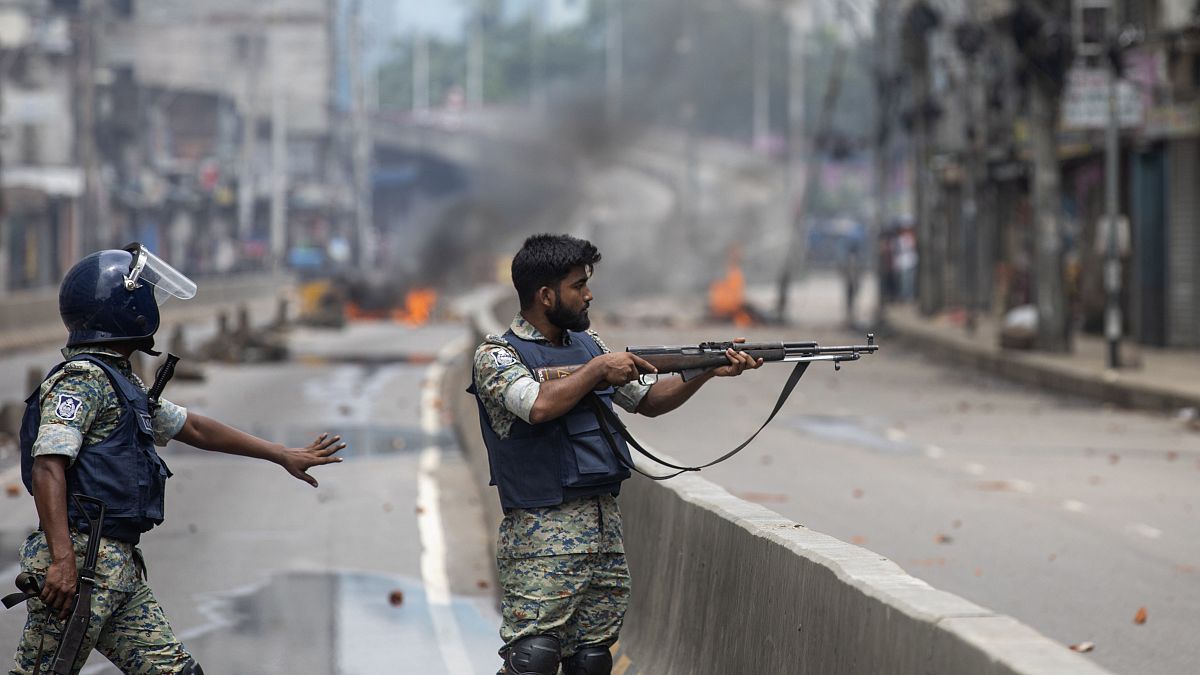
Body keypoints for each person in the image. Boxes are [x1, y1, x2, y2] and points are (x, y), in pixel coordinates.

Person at [9, 244, 345, 675]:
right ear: (123, 308)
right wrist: (61, 561)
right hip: (79, 570)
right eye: (145, 295)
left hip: (116, 572)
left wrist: (280, 454)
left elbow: (195, 427)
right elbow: (47, 466)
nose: (152, 304)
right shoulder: (83, 380)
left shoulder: (121, 383)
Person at [470, 234, 761, 675]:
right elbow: (537, 404)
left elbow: (648, 400)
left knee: (591, 661)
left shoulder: (590, 347)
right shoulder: (498, 355)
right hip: (541, 539)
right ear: (546, 296)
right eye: (577, 285)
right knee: (534, 660)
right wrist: (598, 370)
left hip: (604, 535)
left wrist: (704, 370)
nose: (588, 294)